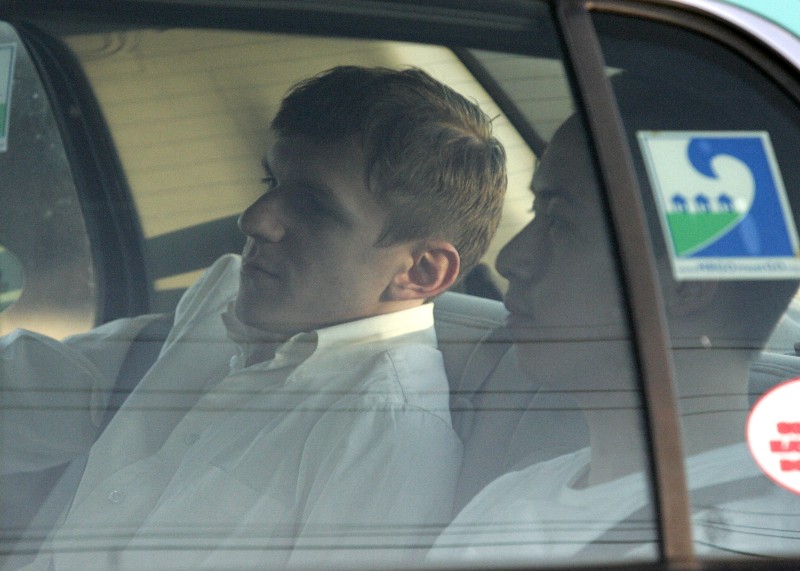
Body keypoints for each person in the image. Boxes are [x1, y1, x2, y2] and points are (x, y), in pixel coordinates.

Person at [1, 65, 507, 570]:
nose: (254, 219)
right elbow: (40, 391)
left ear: (421, 271)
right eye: (271, 181)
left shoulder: (387, 438)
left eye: (313, 207)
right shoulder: (218, 306)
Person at [428, 73, 800, 565]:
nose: (511, 258)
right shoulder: (510, 495)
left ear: (685, 286)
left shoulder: (747, 543)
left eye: (560, 222)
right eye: (538, 212)